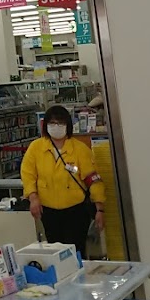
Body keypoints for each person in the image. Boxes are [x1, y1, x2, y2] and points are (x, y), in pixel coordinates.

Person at [21, 104, 105, 258]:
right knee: (56, 254)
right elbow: (28, 174)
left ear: (68, 125)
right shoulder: (36, 148)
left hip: (76, 211)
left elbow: (93, 179)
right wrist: (33, 198)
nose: (56, 126)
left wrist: (99, 209)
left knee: (76, 252)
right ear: (45, 125)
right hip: (49, 211)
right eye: (52, 123)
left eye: (60, 123)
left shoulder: (79, 149)